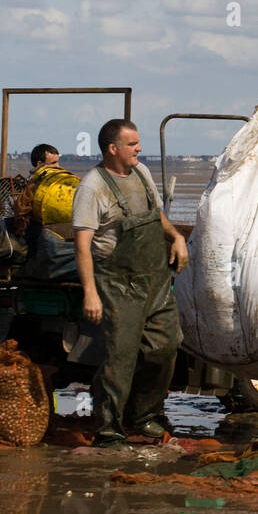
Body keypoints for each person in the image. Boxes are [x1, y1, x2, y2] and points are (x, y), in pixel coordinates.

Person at [73, 119, 188, 447]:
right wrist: (91, 293)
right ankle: (109, 429)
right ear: (113, 149)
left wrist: (177, 237)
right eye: (132, 144)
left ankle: (142, 416)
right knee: (120, 357)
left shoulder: (142, 173)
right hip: (119, 284)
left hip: (155, 280)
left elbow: (156, 215)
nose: (139, 148)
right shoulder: (93, 187)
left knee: (166, 347)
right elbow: (83, 245)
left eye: (139, 142)